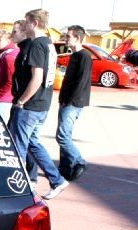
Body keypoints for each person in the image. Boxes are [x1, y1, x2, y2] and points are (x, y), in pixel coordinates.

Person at [9, 9, 69, 200]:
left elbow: (37, 77)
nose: (24, 25)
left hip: (30, 105)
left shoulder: (36, 45)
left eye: (26, 22)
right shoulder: (48, 44)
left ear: (34, 23)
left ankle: (18, 189)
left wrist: (21, 100)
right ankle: (57, 180)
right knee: (33, 143)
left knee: (18, 146)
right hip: (42, 103)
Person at [56, 24, 92, 182]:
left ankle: (79, 161)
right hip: (66, 100)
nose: (65, 39)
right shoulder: (74, 55)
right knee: (65, 135)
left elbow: (81, 82)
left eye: (68, 36)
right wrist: (62, 98)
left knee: (62, 136)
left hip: (73, 103)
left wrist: (70, 101)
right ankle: (65, 168)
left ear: (77, 38)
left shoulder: (84, 56)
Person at [0, 27, 20, 121]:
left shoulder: (9, 56)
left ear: (8, 41)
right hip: (0, 98)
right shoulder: (3, 54)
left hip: (3, 99)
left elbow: (10, 81)